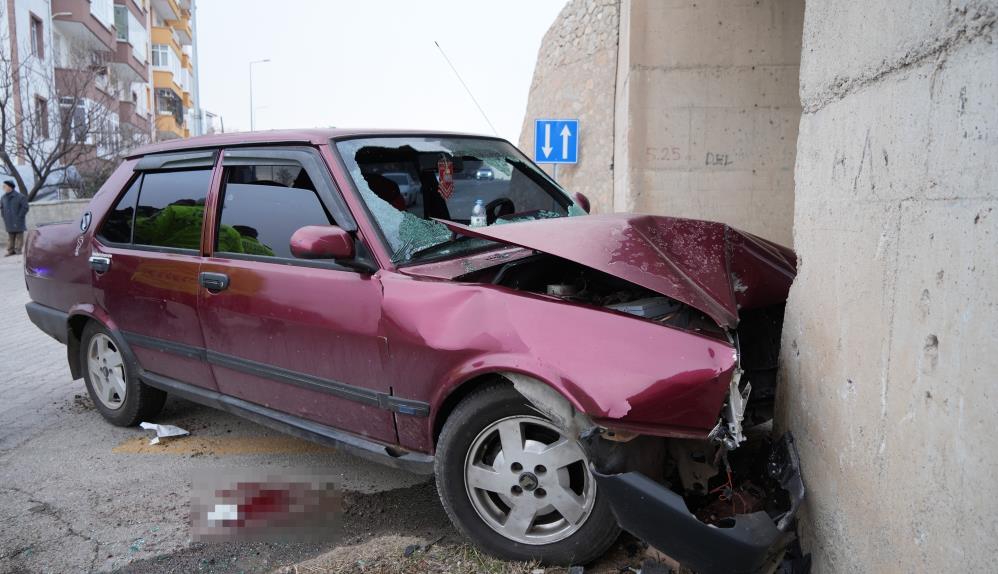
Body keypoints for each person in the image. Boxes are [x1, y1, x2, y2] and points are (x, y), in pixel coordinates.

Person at [1, 180, 29, 256]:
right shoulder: (3, 197)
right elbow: (2, 208)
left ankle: (18, 250)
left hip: (18, 219)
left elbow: (25, 207)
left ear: (10, 187)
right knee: (10, 236)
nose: (3, 187)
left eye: (5, 186)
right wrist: (4, 216)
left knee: (19, 236)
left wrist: (19, 216)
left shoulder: (20, 196)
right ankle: (10, 250)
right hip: (8, 220)